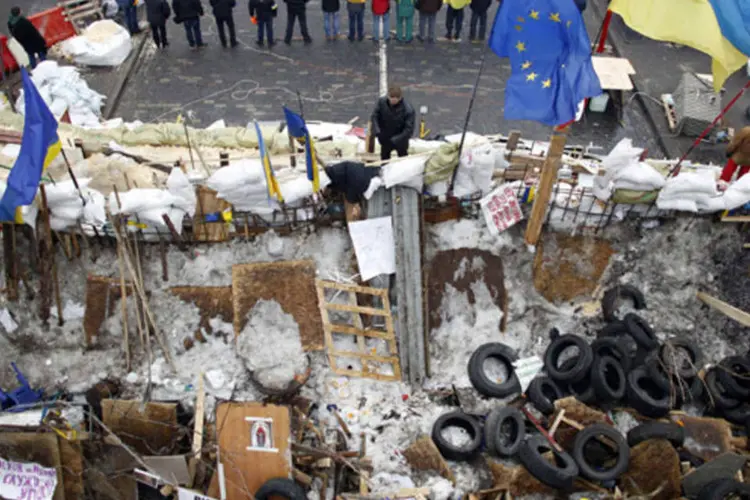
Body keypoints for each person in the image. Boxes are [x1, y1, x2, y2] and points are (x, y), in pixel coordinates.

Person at [371, 85, 415, 160]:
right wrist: (377, 132)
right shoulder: (382, 102)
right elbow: (374, 116)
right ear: (388, 96)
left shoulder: (408, 109)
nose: (393, 100)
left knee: (403, 159)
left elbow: (409, 129)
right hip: (385, 138)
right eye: (392, 98)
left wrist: (396, 139)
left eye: (396, 98)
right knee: (384, 159)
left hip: (401, 140)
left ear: (400, 98)